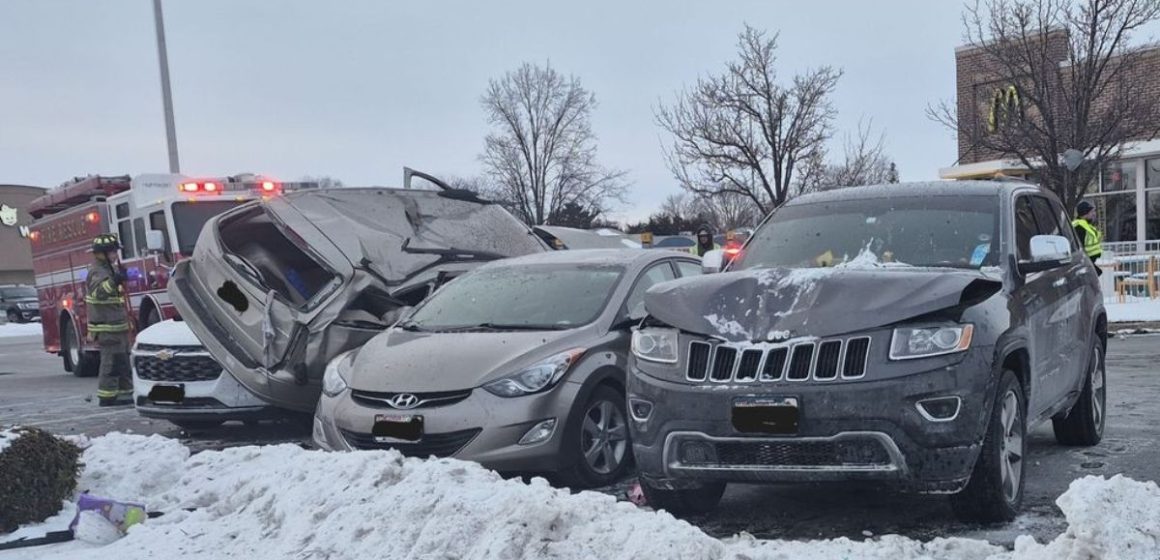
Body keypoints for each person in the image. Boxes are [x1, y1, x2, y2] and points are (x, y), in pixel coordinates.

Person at [85, 234, 133, 406]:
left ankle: (125, 393)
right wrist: (114, 281)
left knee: (122, 362)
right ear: (101, 253)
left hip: (117, 326)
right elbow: (98, 293)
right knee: (110, 363)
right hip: (107, 327)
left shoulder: (110, 268)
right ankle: (107, 397)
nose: (115, 255)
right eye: (112, 252)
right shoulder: (97, 271)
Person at [1072, 200, 1103, 276]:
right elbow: (1079, 249)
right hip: (1087, 264)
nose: (1094, 214)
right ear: (1085, 213)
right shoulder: (1079, 227)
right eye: (1092, 212)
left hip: (1092, 263)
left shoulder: (1086, 226)